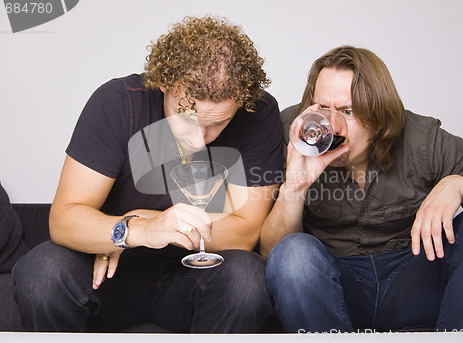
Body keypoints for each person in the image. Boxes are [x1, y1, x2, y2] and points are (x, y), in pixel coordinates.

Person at [13, 15, 283, 333]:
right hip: (116, 268)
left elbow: (245, 234)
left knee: (246, 278)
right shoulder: (117, 102)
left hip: (198, 276)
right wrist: (139, 231)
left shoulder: (259, 112)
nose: (199, 139)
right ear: (164, 83)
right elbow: (63, 220)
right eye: (187, 116)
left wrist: (145, 218)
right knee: (43, 269)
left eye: (218, 123)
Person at [260, 45, 463, 333]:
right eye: (323, 108)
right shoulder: (295, 133)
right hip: (335, 287)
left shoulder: (424, 140)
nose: (332, 127)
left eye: (348, 111)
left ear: (379, 113)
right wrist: (295, 186)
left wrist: (460, 186)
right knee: (293, 254)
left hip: (416, 280)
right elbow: (271, 256)